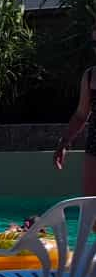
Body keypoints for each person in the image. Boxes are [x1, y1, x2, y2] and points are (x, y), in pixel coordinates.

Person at [53, 20, 96, 196]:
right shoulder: (90, 76)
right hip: (95, 145)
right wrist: (64, 143)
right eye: (95, 44)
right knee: (91, 204)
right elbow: (81, 115)